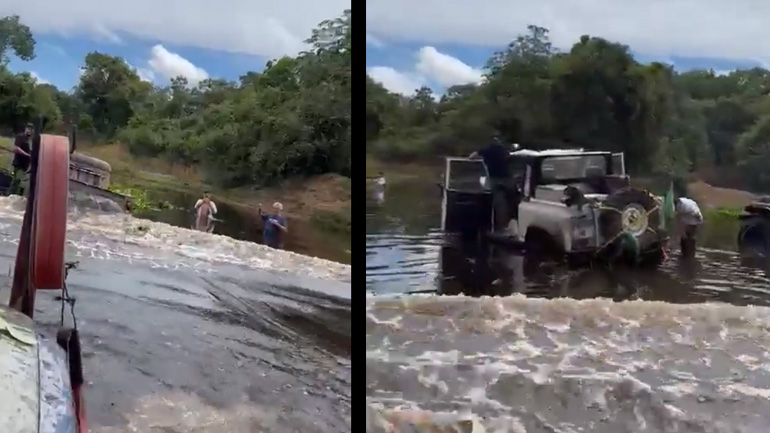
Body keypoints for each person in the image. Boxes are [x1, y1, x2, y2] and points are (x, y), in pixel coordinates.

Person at [469, 137, 518, 233]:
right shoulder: (503, 149)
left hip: (495, 180)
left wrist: (482, 158)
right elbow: (511, 159)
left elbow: (471, 157)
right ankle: (515, 222)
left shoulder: (486, 150)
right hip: (508, 179)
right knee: (514, 201)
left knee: (499, 205)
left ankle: (502, 227)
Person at [10, 124, 32, 196]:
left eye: (31, 129)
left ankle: (18, 196)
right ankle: (11, 195)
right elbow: (16, 149)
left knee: (22, 183)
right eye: (28, 128)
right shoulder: (20, 137)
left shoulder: (30, 140)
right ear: (25, 129)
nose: (30, 131)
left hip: (26, 166)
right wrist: (27, 155)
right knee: (17, 181)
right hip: (19, 163)